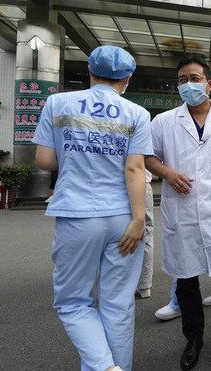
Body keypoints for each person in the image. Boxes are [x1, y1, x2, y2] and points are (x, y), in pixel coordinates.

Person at [32, 45, 151, 371]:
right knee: (118, 305)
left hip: (77, 215)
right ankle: (116, 367)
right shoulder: (137, 113)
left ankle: (104, 367)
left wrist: (75, 155)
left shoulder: (57, 103)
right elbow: (135, 170)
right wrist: (140, 219)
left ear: (90, 72)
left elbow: (43, 160)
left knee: (73, 302)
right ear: (126, 79)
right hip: (122, 218)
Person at [145, 53, 211, 371]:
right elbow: (148, 157)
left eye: (194, 79)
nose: (188, 85)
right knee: (186, 280)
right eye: (182, 80)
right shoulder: (164, 122)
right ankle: (193, 340)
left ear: (209, 84)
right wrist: (167, 173)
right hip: (182, 211)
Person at [136, 170, 155, 299]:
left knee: (120, 233)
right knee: (146, 234)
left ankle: (122, 282)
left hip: (118, 185)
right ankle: (145, 285)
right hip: (144, 183)